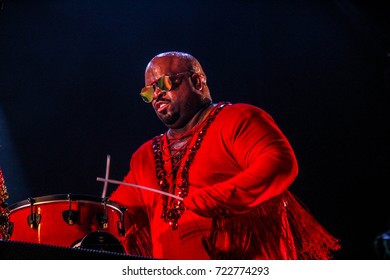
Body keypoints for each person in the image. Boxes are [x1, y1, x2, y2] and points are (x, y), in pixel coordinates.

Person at [109, 51, 340, 260]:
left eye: (164, 82)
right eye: (148, 92)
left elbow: (279, 163)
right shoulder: (145, 156)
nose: (156, 94)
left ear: (197, 81)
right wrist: (78, 217)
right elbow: (113, 215)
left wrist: (220, 197)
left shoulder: (238, 118)